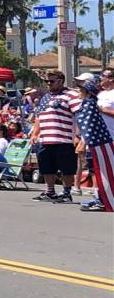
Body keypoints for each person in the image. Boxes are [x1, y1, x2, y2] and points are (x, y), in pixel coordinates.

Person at [30, 70, 82, 203]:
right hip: (46, 138)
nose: (48, 84)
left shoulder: (71, 95)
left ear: (60, 81)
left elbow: (79, 116)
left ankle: (66, 193)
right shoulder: (45, 97)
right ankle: (50, 191)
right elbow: (38, 116)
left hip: (64, 138)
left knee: (67, 167)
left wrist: (77, 135)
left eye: (51, 81)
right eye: (46, 81)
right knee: (47, 167)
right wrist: (35, 133)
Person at [72, 79, 114, 212]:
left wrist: (83, 143)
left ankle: (103, 200)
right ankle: (101, 198)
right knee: (98, 171)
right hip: (97, 142)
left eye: (81, 89)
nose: (79, 91)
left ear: (87, 92)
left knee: (101, 172)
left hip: (97, 142)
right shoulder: (89, 103)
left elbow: (89, 126)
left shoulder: (89, 105)